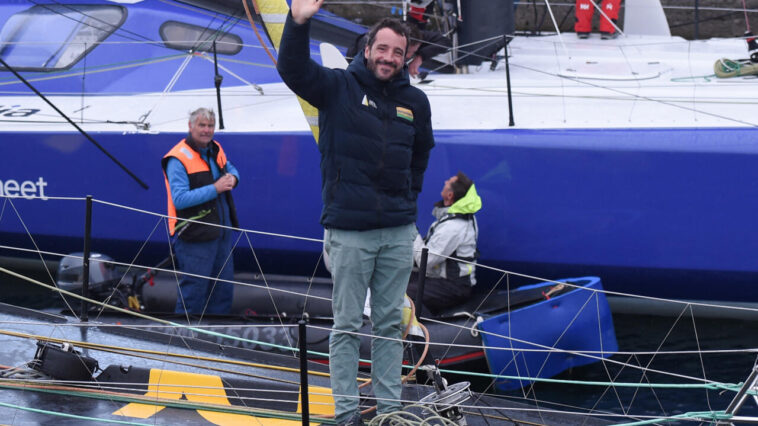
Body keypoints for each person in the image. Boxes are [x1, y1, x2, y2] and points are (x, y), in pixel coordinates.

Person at [277, 1, 435, 423]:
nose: (388, 58)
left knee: (388, 326)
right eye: (381, 49)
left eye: (397, 52)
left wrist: (408, 199)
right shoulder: (337, 88)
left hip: (398, 232)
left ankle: (389, 411)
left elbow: (421, 154)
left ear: (405, 57)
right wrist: (298, 22)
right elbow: (292, 70)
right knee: (347, 326)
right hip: (350, 232)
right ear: (367, 49)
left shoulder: (416, 101)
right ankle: (346, 413)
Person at [161, 107, 240, 315]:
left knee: (222, 293)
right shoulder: (177, 158)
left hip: (221, 235)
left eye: (210, 126)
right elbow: (179, 200)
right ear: (190, 126)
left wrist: (234, 178)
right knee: (193, 296)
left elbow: (230, 168)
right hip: (195, 237)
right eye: (202, 125)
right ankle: (182, 341)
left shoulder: (215, 149)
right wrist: (215, 189)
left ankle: (216, 343)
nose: (207, 130)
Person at [407, 172, 481, 314]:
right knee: (392, 279)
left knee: (401, 292)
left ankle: (422, 325)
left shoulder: (453, 227)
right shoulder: (457, 218)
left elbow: (425, 261)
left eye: (448, 181)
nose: (445, 181)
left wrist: (412, 231)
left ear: (450, 195)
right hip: (441, 279)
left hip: (453, 286)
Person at [346, 24, 451, 77]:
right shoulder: (368, 44)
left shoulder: (416, 35)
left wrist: (420, 57)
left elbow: (446, 42)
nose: (409, 56)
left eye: (413, 52)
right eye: (406, 51)